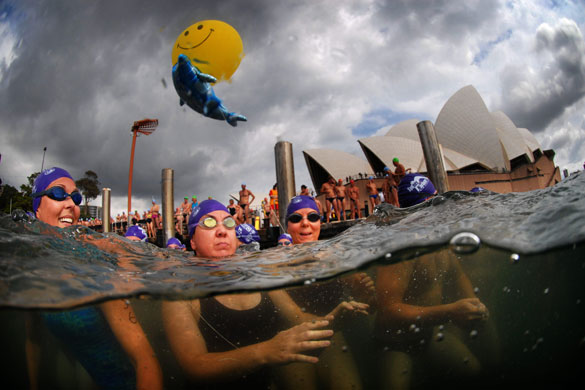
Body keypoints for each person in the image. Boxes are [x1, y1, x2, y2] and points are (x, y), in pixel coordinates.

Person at [161, 200, 365, 388]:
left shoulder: (258, 275)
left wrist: (332, 321)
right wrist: (266, 351)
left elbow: (297, 316)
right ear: (193, 241)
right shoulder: (181, 289)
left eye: (229, 223)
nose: (222, 230)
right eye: (209, 223)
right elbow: (196, 366)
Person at [27, 167, 162, 390]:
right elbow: (33, 340)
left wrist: (126, 265)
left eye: (76, 197)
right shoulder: (31, 266)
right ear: (37, 210)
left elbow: (146, 361)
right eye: (58, 193)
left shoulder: (94, 264)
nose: (71, 203)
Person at [284, 195, 375, 389]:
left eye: (312, 217)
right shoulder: (278, 263)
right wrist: (335, 318)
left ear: (320, 222)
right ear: (287, 226)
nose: (305, 224)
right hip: (291, 338)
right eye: (295, 218)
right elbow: (291, 316)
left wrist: (363, 295)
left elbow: (370, 304)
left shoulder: (337, 257)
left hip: (331, 337)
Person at [375, 247, 489, 388]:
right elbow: (388, 311)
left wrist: (475, 305)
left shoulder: (443, 246)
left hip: (428, 334)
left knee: (474, 373)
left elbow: (459, 275)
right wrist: (449, 313)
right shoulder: (401, 250)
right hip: (394, 343)